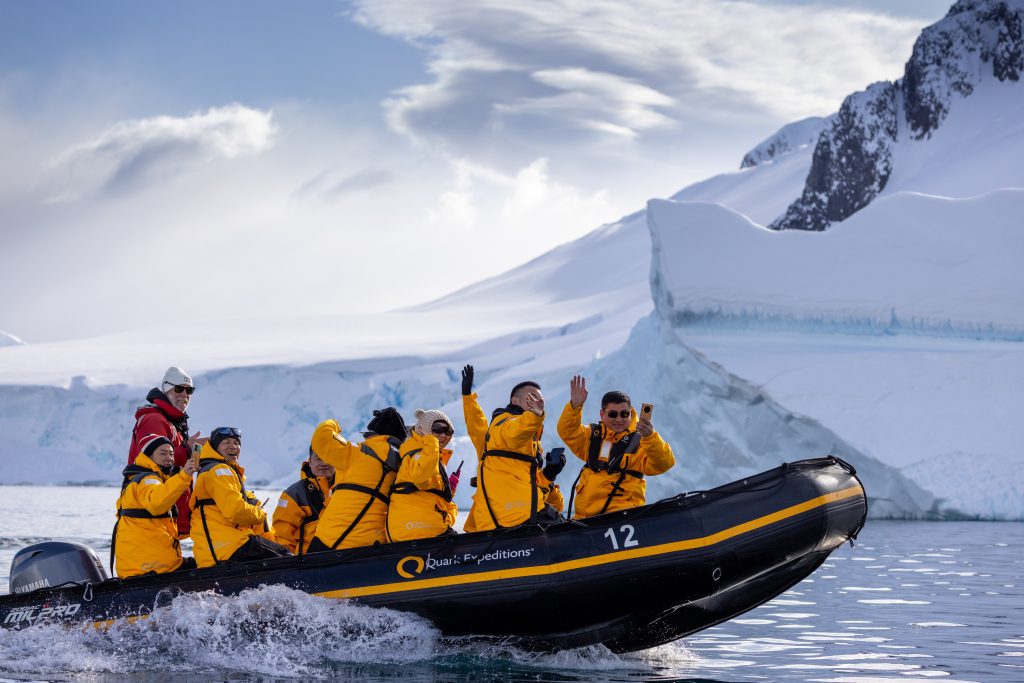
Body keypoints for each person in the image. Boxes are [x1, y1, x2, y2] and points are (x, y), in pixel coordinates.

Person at [557, 375, 675, 519]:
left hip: (622, 518)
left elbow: (664, 463)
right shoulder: (593, 435)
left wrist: (650, 436)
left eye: (624, 414)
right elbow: (567, 431)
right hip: (585, 519)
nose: (619, 419)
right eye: (613, 414)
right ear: (602, 414)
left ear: (630, 414)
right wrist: (575, 407)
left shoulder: (642, 441)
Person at [465, 377, 564, 532]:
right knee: (567, 531)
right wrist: (535, 416)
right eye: (531, 396)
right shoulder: (505, 423)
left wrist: (549, 474)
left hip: (504, 516)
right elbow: (514, 433)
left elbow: (476, 424)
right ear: (515, 401)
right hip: (518, 514)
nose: (537, 400)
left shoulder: (526, 440)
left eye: (539, 398)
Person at [306, 408, 407, 552]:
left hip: (333, 540)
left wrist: (334, 423)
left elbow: (321, 438)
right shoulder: (403, 462)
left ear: (374, 435)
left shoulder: (358, 453)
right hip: (373, 545)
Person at [189, 427, 289, 567]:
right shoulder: (220, 470)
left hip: (220, 549)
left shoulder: (213, 469)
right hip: (229, 547)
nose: (233, 446)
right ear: (214, 447)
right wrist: (260, 513)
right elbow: (235, 510)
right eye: (226, 442)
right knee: (287, 558)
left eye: (236, 443)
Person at [127, 366, 203, 538]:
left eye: (189, 390)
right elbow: (155, 460)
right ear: (166, 390)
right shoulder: (155, 420)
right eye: (178, 389)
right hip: (153, 507)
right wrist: (187, 450)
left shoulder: (171, 423)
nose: (184, 394)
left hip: (165, 505)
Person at [112, 434, 199, 577]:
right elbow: (157, 504)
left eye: (171, 454)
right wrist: (184, 476)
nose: (169, 458)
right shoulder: (148, 480)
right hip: (151, 567)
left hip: (144, 564)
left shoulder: (143, 478)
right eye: (163, 453)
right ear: (149, 456)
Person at [386, 409, 460, 542]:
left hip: (420, 526)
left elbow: (424, 490)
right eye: (437, 428)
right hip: (417, 528)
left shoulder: (429, 454)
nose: (443, 435)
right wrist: (431, 440)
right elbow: (419, 477)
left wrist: (448, 490)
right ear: (423, 428)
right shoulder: (418, 451)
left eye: (448, 431)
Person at [272, 447, 336, 555]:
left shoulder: (351, 488)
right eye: (318, 458)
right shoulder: (295, 494)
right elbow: (282, 536)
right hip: (308, 564)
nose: (324, 463)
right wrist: (288, 563)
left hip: (347, 559)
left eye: (329, 458)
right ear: (310, 462)